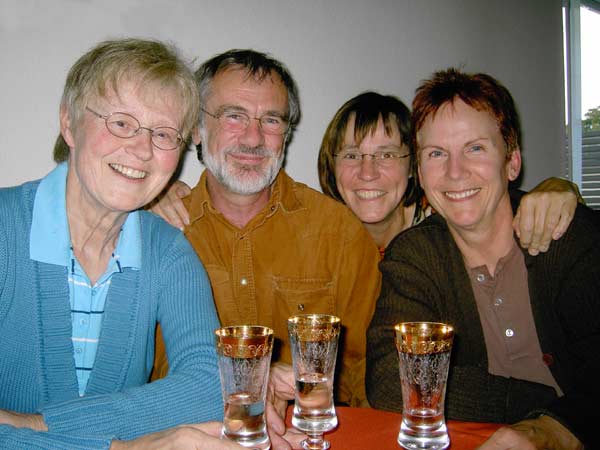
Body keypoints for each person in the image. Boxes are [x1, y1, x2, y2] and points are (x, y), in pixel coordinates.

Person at [0, 38, 239, 450]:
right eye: (122, 123)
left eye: (164, 133)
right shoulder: (6, 229)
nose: (142, 150)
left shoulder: (167, 250)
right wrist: (116, 447)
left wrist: (34, 426)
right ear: (69, 122)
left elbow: (211, 387)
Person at [366, 68, 598, 449]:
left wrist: (555, 428)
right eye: (436, 154)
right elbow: (392, 377)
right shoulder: (414, 256)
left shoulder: (567, 235)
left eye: (475, 148)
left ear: (512, 161)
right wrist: (548, 403)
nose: (455, 172)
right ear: (420, 173)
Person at [150, 49, 381, 410]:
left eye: (271, 120)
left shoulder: (339, 234)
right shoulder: (159, 234)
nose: (254, 138)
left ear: (286, 134)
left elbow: (365, 379)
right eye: (234, 116)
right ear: (196, 128)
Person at [317, 91, 580, 253]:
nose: (367, 173)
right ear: (332, 165)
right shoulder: (320, 240)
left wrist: (560, 187)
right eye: (351, 155)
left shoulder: (447, 214)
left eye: (387, 155)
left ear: (414, 167)